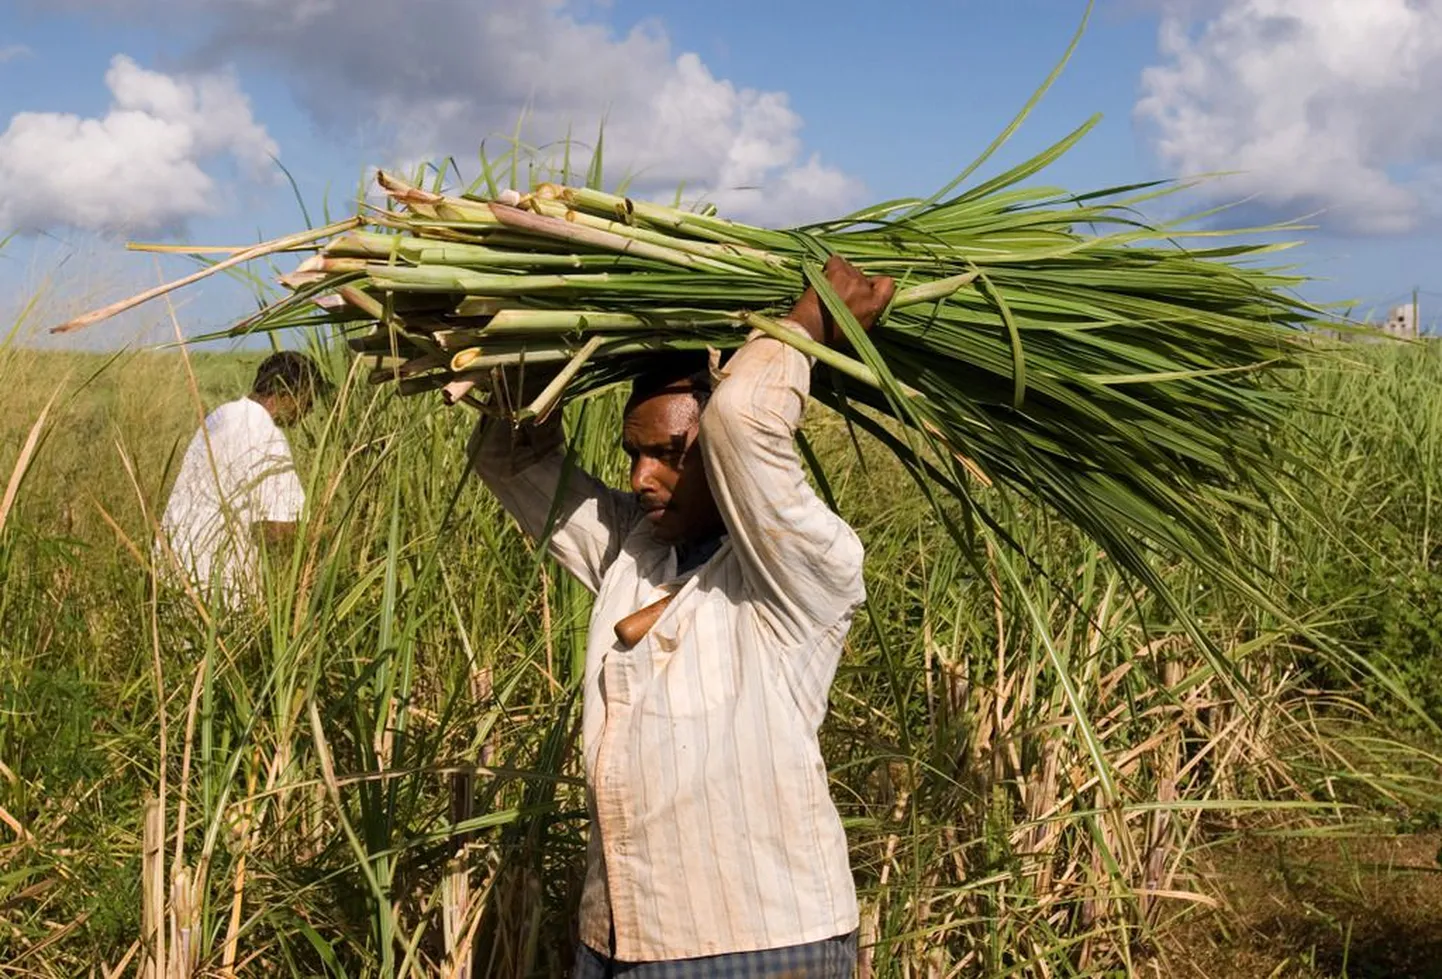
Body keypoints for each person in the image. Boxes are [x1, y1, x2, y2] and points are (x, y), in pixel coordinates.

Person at [469, 256, 895, 976]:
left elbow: (743, 415)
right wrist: (529, 326)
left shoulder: (801, 571)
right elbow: (509, 459)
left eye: (670, 454)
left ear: (723, 459)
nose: (642, 478)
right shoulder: (632, 550)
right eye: (635, 453)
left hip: (759, 944)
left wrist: (807, 323)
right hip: (619, 936)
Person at [158, 350, 328, 605]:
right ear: (286, 395)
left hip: (171, 576)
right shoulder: (265, 433)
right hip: (215, 592)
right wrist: (330, 534)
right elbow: (274, 530)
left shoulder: (221, 416)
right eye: (308, 400)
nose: (309, 411)